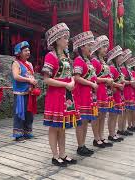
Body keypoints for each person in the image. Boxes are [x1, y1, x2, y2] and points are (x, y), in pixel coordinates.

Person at [42, 23, 79, 167]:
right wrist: (66, 84)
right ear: (57, 40)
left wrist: (72, 81)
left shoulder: (66, 56)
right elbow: (46, 79)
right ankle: (55, 155)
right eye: (65, 38)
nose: (67, 41)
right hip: (56, 95)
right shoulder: (50, 56)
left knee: (62, 127)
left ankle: (63, 154)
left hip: (67, 96)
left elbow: (70, 75)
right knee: (54, 126)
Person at [72, 31, 98, 156]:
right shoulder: (78, 60)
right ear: (82, 46)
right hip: (81, 94)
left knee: (86, 119)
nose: (91, 49)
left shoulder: (88, 61)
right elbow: (77, 77)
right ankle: (80, 146)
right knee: (81, 121)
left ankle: (83, 145)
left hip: (88, 95)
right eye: (89, 46)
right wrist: (91, 84)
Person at [90, 35, 114, 147]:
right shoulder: (94, 61)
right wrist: (106, 79)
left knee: (103, 115)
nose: (106, 49)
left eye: (107, 47)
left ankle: (101, 136)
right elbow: (93, 78)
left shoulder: (103, 62)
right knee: (97, 115)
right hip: (97, 91)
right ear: (98, 47)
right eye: (104, 47)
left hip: (104, 91)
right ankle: (96, 138)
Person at [11, 41, 37, 141]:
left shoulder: (30, 64)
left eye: (29, 50)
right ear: (19, 52)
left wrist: (33, 81)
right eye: (25, 50)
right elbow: (16, 76)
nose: (28, 52)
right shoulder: (16, 63)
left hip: (30, 92)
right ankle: (18, 134)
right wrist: (29, 80)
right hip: (20, 93)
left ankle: (27, 131)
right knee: (19, 113)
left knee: (29, 113)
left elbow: (31, 76)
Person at [106, 45, 125, 142]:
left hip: (119, 94)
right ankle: (111, 134)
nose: (122, 58)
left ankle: (113, 133)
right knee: (112, 115)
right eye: (120, 56)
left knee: (116, 115)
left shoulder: (118, 68)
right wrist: (118, 86)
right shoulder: (112, 68)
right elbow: (110, 82)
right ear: (115, 57)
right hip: (114, 94)